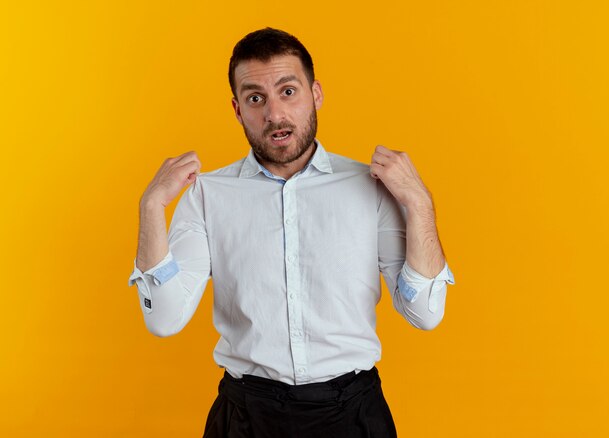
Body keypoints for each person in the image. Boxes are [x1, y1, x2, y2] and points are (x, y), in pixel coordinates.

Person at [129, 27, 455, 438]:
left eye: (288, 91)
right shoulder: (207, 195)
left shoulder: (373, 187)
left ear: (316, 93)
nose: (274, 114)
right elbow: (164, 318)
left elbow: (424, 314)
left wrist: (420, 204)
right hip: (246, 418)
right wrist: (151, 207)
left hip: (353, 416)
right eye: (255, 98)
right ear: (237, 109)